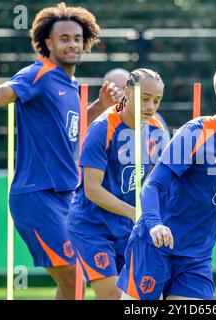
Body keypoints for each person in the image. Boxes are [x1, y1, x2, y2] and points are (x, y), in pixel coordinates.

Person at [0, 2, 121, 300]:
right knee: (72, 276)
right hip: (37, 195)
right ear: (48, 42)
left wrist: (99, 107)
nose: (72, 44)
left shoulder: (70, 82)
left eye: (77, 39)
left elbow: (71, 130)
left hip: (67, 195)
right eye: (64, 38)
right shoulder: (37, 73)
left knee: (75, 281)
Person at [116, 64, 216, 300]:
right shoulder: (196, 133)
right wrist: (155, 224)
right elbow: (152, 185)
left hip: (196, 257)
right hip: (155, 246)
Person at [67, 68, 165, 299]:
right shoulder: (103, 128)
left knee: (140, 294)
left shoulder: (156, 130)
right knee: (112, 295)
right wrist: (135, 212)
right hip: (91, 226)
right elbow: (92, 189)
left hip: (127, 226)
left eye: (157, 101)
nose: (151, 106)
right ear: (128, 94)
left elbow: (153, 181)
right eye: (145, 99)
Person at [102, 68, 171, 145]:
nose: (121, 92)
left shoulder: (156, 123)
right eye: (115, 88)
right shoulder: (100, 125)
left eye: (124, 87)